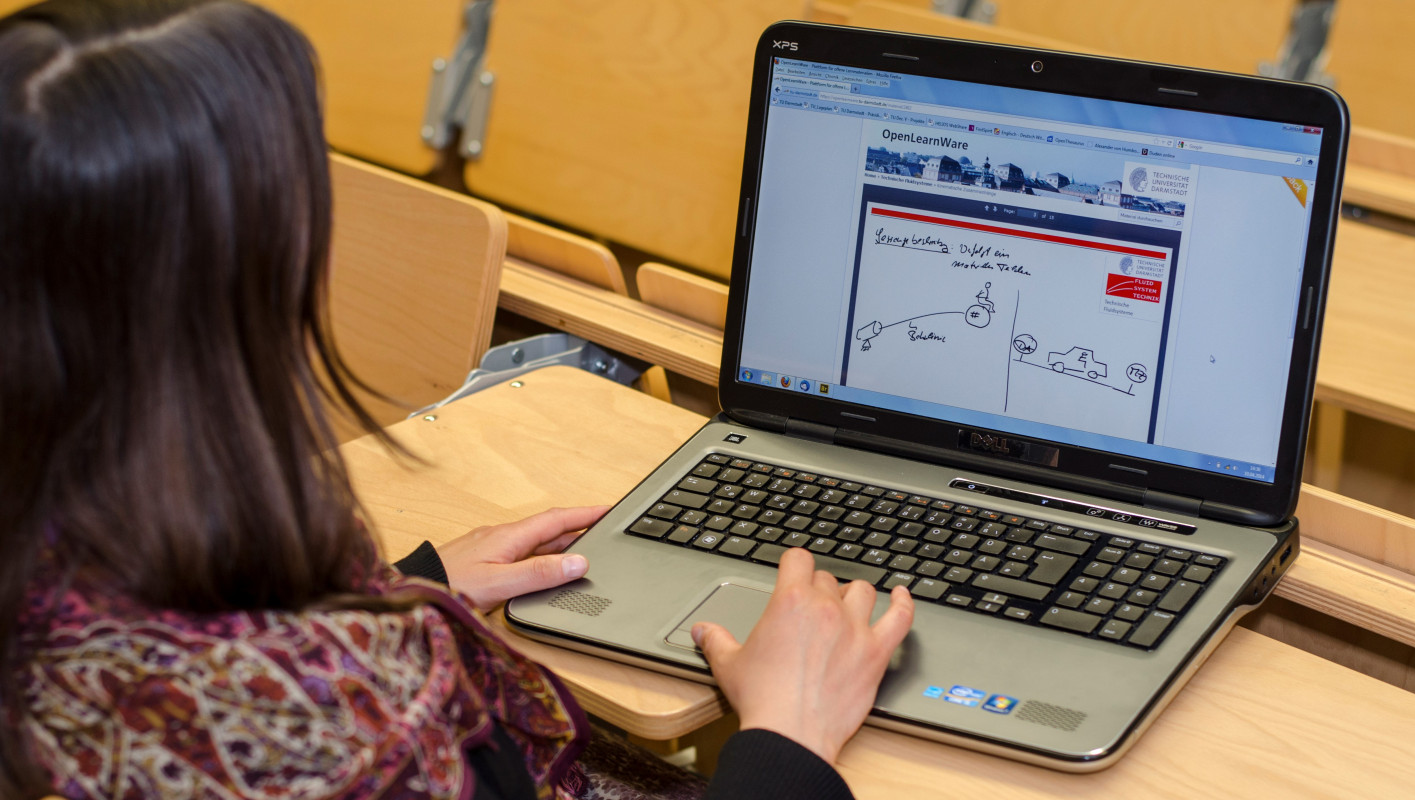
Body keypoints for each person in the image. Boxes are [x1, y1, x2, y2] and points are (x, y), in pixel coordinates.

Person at [0, 2, 916, 798]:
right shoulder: (321, 727)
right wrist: (786, 745)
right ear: (227, 276)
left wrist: (410, 591)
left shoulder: (58, 538)